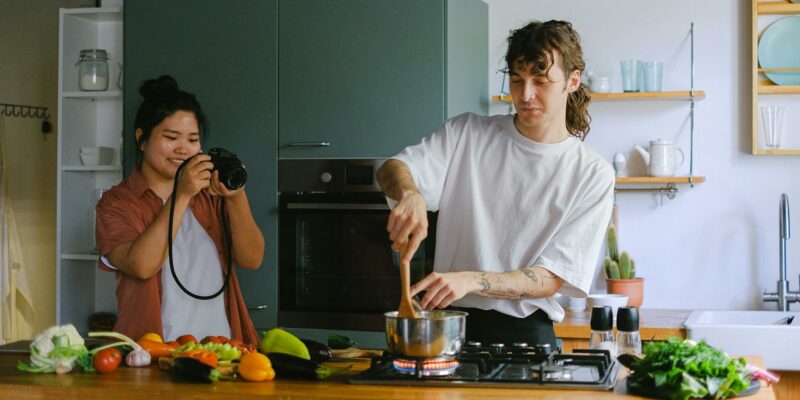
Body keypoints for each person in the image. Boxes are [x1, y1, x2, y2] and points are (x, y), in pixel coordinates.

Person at [377, 20, 614, 348]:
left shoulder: (591, 173)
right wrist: (409, 193)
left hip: (526, 338)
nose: (525, 94)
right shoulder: (467, 134)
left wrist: (472, 280)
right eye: (517, 80)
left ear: (573, 81)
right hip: (449, 328)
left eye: (540, 81)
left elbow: (551, 277)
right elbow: (393, 168)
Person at [96, 75, 264, 344]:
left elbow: (252, 259)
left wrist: (236, 197)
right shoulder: (117, 204)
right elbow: (141, 266)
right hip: (154, 353)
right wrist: (182, 193)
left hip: (223, 349)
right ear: (141, 138)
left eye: (193, 139)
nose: (183, 149)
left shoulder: (211, 194)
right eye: (171, 137)